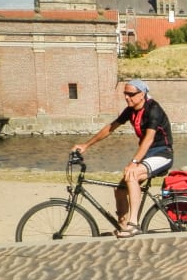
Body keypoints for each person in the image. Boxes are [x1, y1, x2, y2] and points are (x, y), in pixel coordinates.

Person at [72, 79, 173, 237]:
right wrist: (86, 145)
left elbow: (148, 139)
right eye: (125, 94)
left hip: (162, 153)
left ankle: (134, 224)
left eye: (131, 94)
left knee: (132, 174)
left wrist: (133, 163)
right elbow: (110, 128)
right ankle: (123, 225)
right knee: (119, 190)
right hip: (147, 155)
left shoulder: (153, 109)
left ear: (142, 94)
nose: (127, 97)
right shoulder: (131, 110)